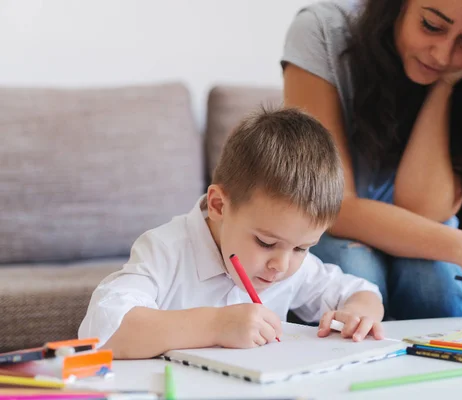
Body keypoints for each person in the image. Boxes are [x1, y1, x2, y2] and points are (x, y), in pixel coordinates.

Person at [281, 0, 462, 319]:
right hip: (325, 221)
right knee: (357, 270)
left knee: (433, 281)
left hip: (413, 224)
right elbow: (334, 205)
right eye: (431, 26)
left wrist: (445, 87)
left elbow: (422, 209)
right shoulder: (320, 30)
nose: (442, 55)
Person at [79, 108, 385, 359]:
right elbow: (103, 329)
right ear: (218, 206)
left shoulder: (288, 264)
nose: (282, 265)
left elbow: (360, 291)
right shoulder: (166, 249)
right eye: (266, 242)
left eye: (301, 248)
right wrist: (215, 324)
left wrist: (359, 313)